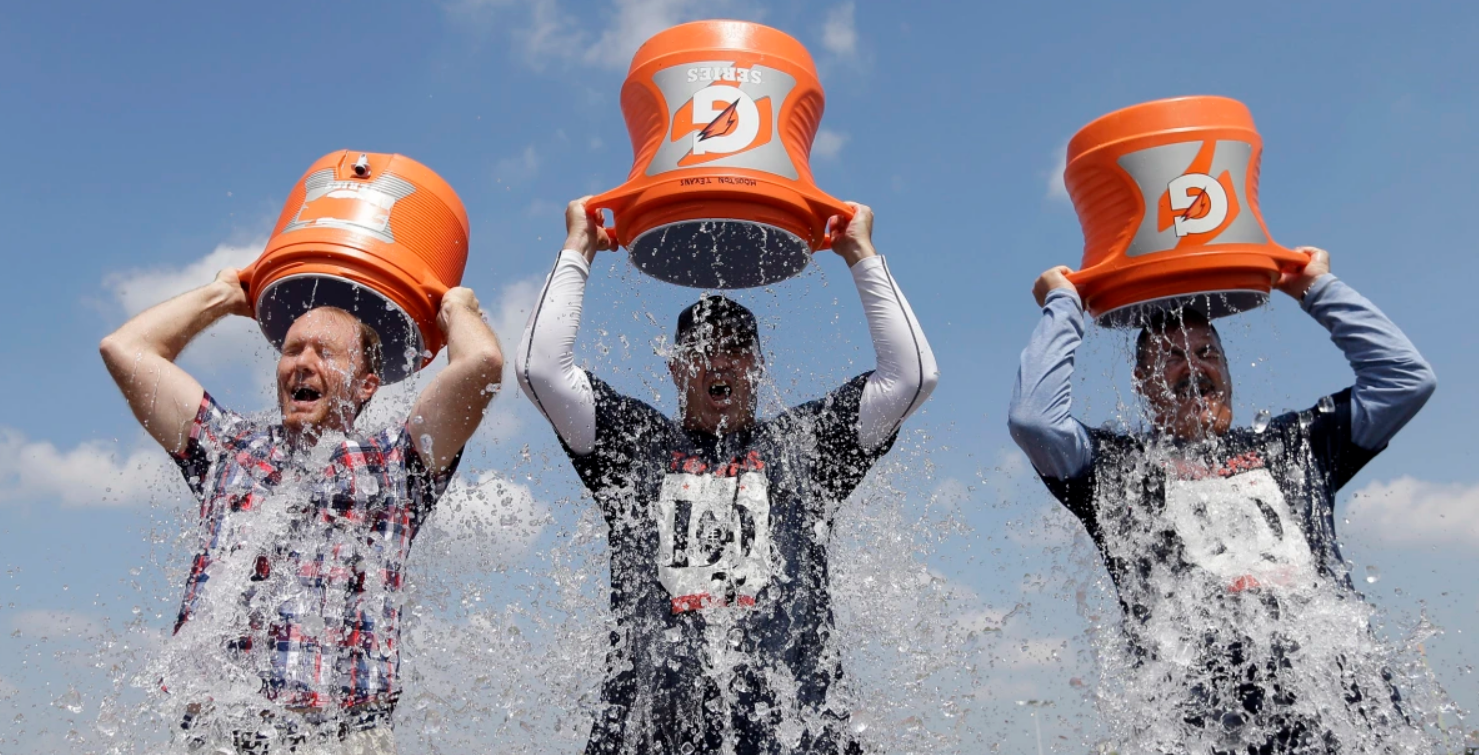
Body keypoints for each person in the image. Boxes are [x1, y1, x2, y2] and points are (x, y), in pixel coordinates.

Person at [516, 198, 938, 754]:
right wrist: (578, 248)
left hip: (795, 735)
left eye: (738, 351)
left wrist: (860, 253)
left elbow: (912, 377)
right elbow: (538, 370)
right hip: (651, 737)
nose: (720, 362)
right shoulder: (637, 445)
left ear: (759, 366)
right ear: (675, 367)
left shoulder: (802, 446)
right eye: (702, 350)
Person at [1007, 248, 1437, 753]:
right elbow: (1035, 422)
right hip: (1207, 728)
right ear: (1141, 385)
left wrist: (1316, 288)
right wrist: (1065, 305)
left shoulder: (1294, 444)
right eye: (1171, 357)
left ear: (1228, 371)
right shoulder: (1116, 468)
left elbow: (1406, 381)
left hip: (1340, 711)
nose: (1194, 366)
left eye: (1208, 352)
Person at [99, 269, 504, 754]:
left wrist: (456, 308)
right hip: (220, 735)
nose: (302, 364)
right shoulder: (230, 448)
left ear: (366, 384)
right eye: (292, 350)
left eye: (325, 353)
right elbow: (124, 349)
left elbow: (481, 361)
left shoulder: (398, 462)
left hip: (343, 737)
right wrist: (225, 295)